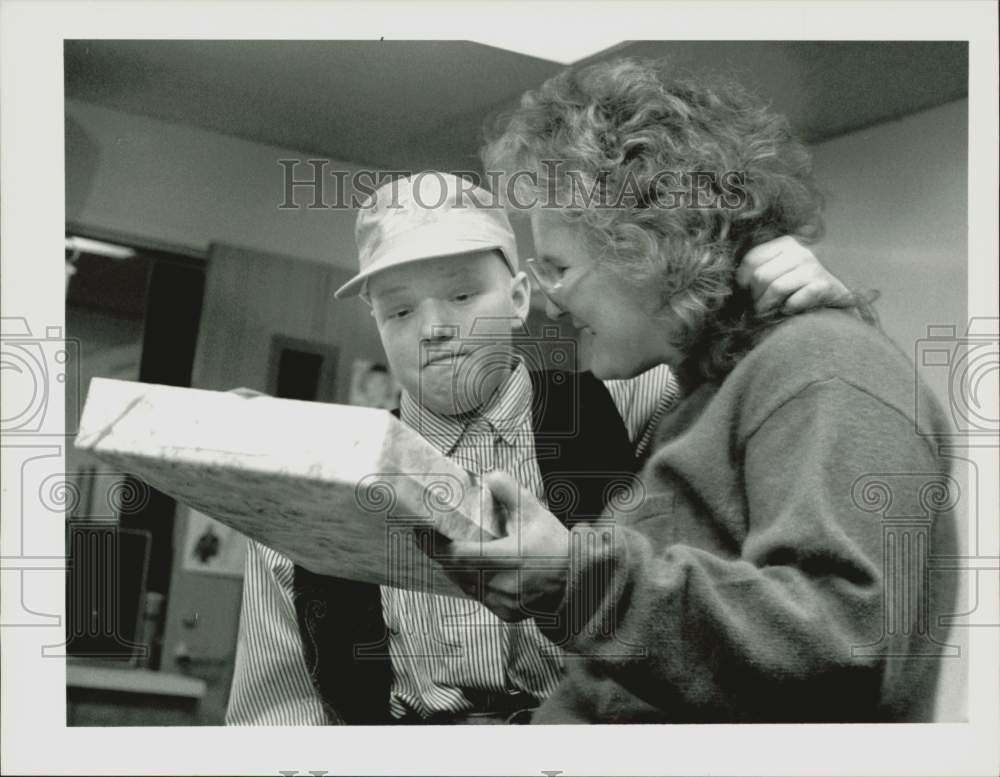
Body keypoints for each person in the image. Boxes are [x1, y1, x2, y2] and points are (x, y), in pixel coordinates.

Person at [225, 171, 854, 725]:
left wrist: (797, 307)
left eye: (463, 294)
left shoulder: (629, 404)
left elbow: (763, 389)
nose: (436, 327)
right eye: (399, 311)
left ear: (521, 297)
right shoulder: (327, 479)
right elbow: (274, 714)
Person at [435, 59, 958, 723]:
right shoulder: (695, 402)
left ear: (648, 244)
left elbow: (842, 643)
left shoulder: (823, 366)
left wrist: (577, 578)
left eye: (559, 267)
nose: (549, 301)